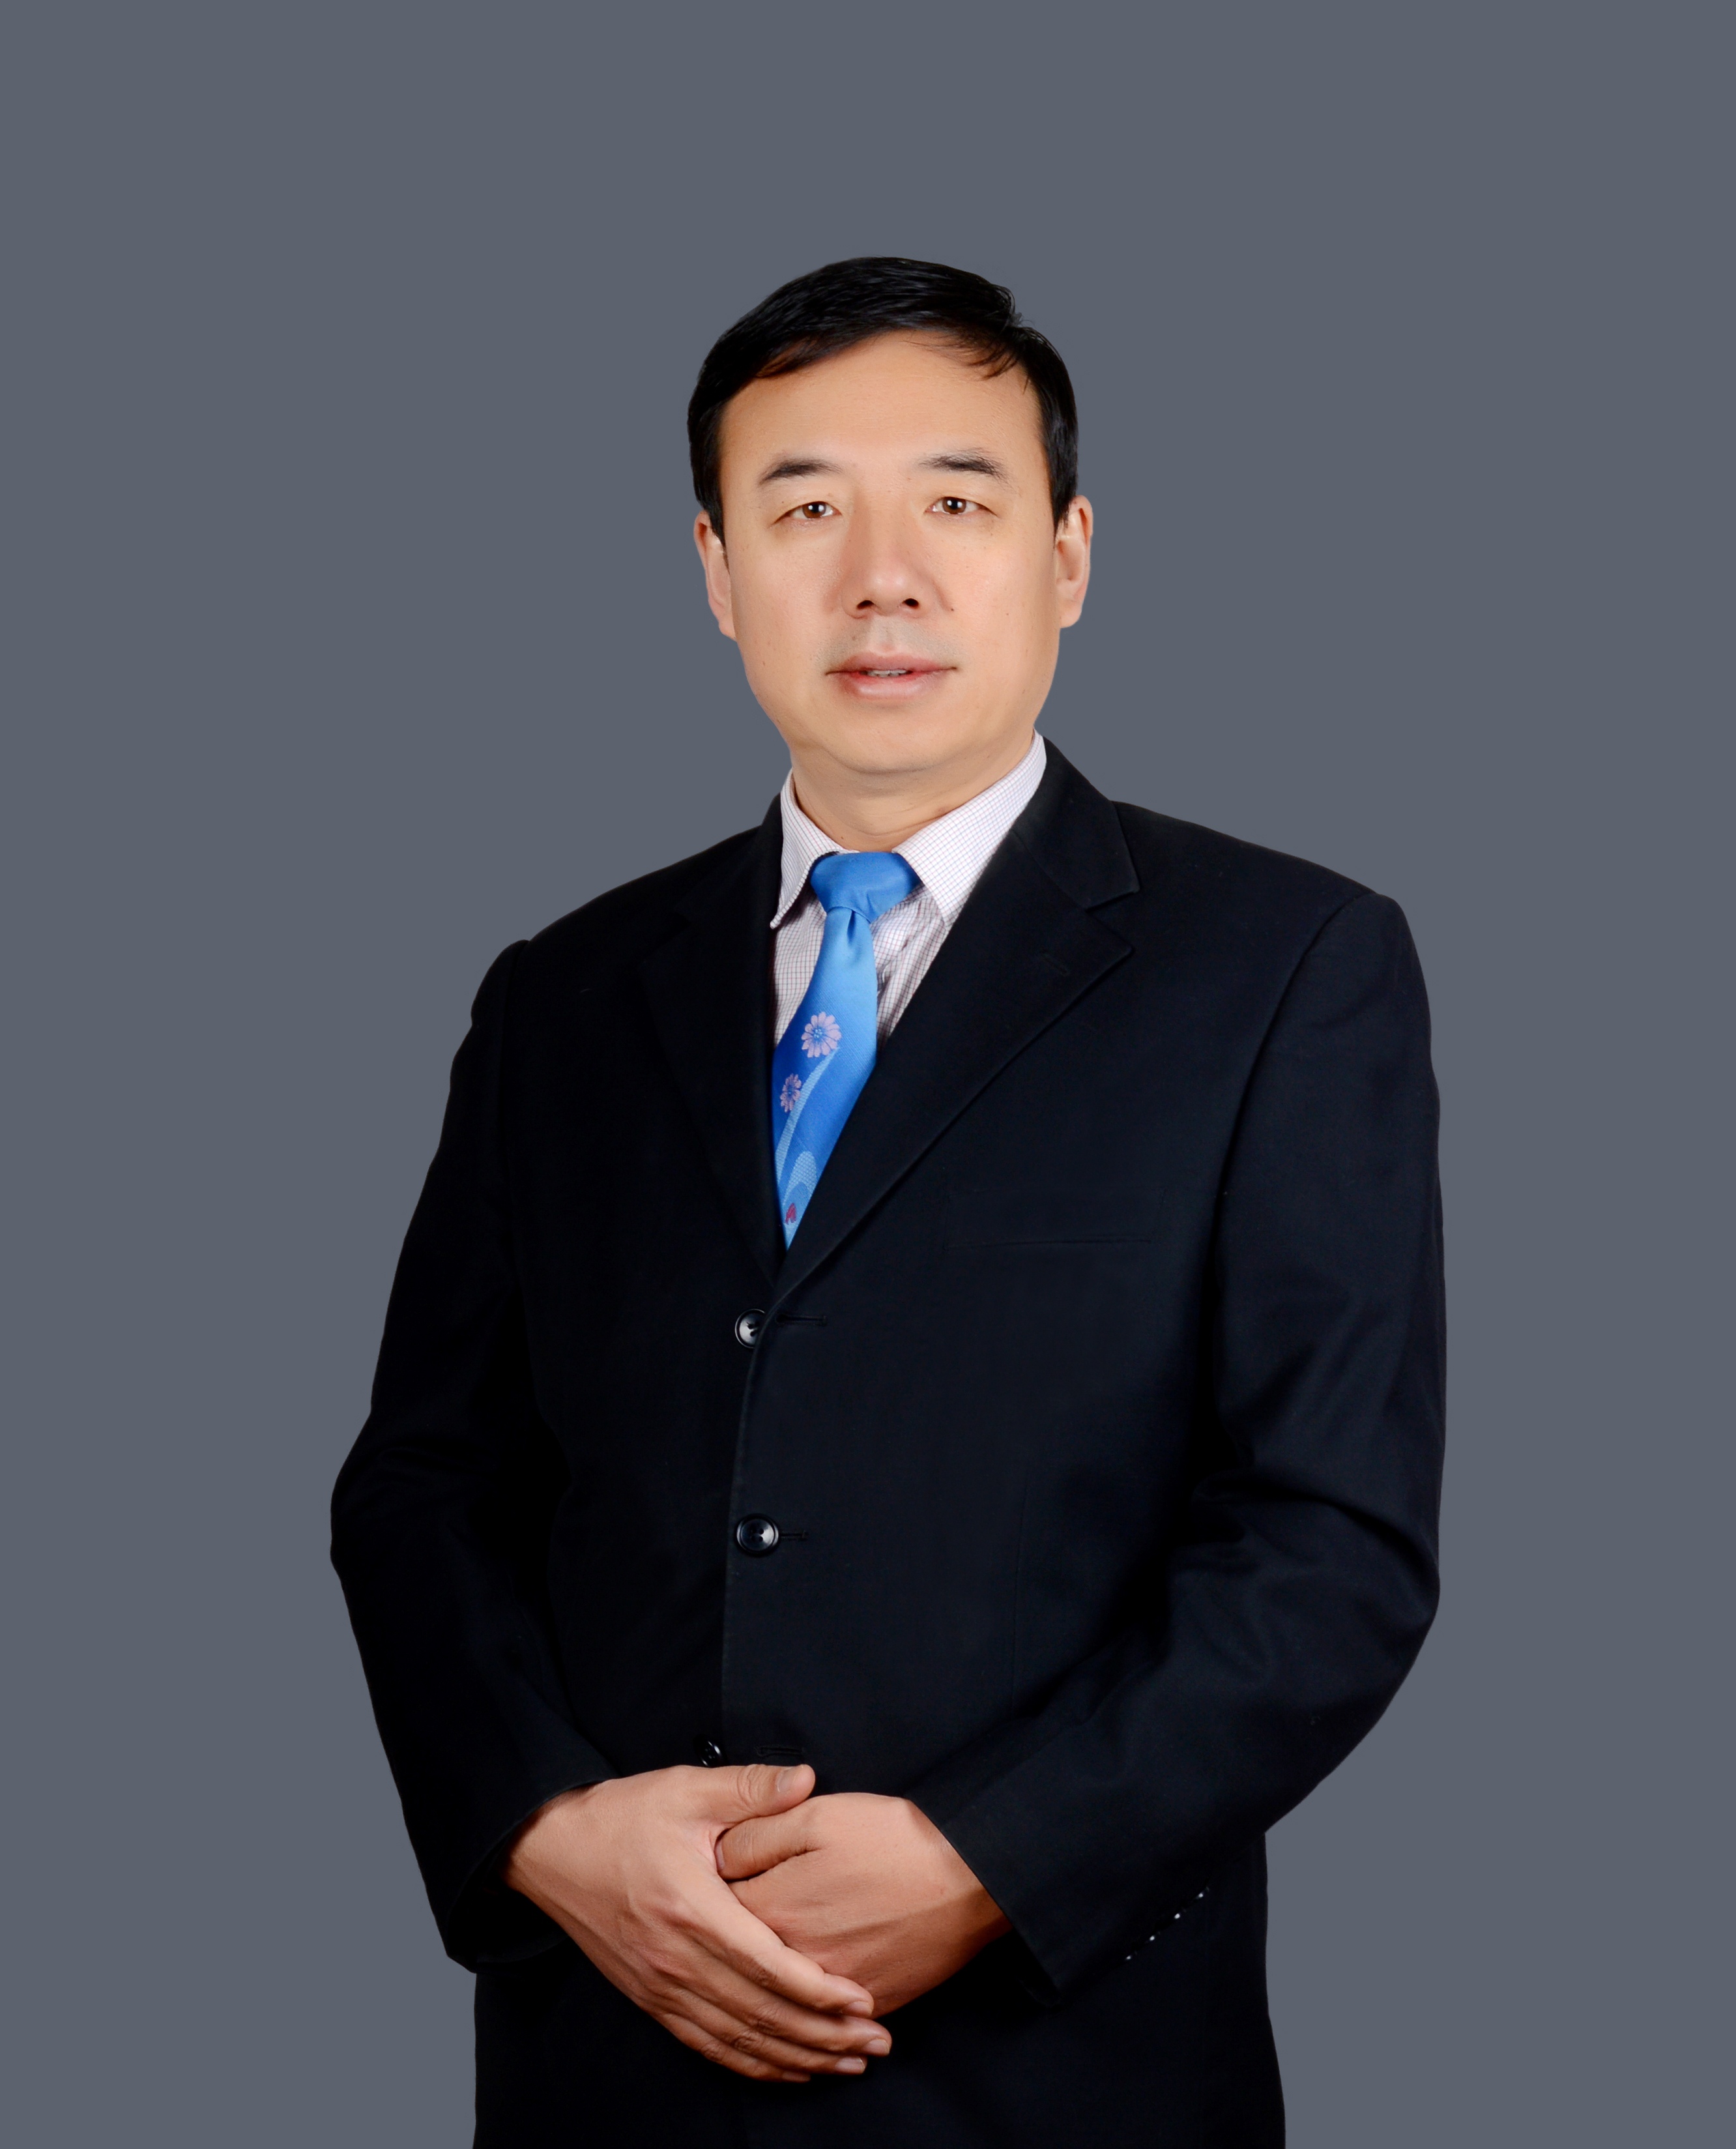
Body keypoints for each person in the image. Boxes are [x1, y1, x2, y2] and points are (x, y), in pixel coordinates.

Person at [332, 256, 1445, 2147]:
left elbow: (1330, 1544)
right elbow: (427, 1485)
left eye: (956, 500)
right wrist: (544, 1824)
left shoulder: (1283, 966)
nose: (884, 578)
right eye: (804, 510)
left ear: (1069, 554)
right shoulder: (563, 995)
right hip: (613, 2059)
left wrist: (993, 1859)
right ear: (715, 571)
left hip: (1061, 2072)